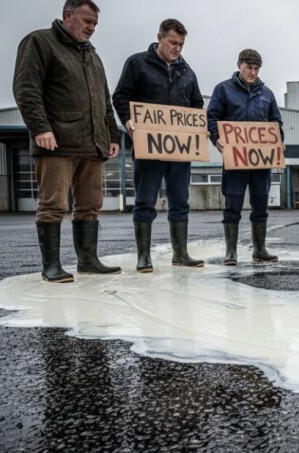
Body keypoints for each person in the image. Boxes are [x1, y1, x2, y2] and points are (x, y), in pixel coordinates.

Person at [13, 0, 121, 283]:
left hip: (92, 145)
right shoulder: (40, 42)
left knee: (90, 204)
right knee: (53, 204)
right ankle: (51, 266)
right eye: (87, 21)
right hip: (56, 142)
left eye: (95, 24)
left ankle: (87, 260)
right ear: (67, 15)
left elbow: (104, 102)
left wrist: (112, 134)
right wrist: (40, 128)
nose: (91, 28)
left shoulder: (92, 56)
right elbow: (26, 88)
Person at [113, 18, 204, 273]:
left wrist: (197, 126)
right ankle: (144, 257)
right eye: (173, 42)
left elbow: (197, 104)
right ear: (160, 38)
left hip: (180, 150)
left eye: (181, 44)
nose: (177, 48)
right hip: (148, 147)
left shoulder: (188, 72)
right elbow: (121, 96)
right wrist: (128, 121)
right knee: (145, 200)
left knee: (180, 201)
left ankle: (181, 254)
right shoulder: (137, 63)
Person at [207, 49, 283, 266]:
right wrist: (216, 137)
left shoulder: (267, 94)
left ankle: (260, 250)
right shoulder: (223, 89)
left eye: (256, 68)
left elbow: (276, 122)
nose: (253, 72)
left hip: (261, 163)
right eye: (249, 67)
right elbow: (212, 116)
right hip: (235, 160)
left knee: (260, 205)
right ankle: (231, 251)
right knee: (232, 206)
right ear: (239, 65)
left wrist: (279, 140)